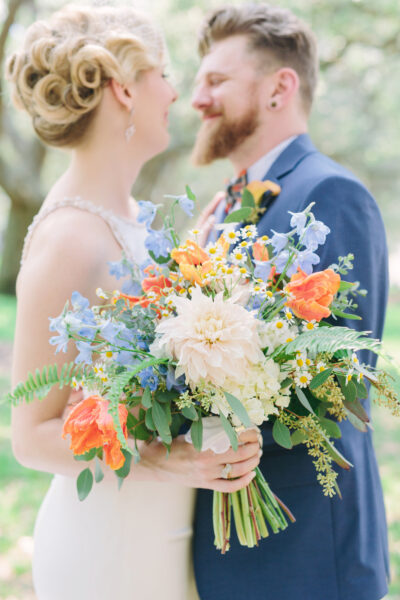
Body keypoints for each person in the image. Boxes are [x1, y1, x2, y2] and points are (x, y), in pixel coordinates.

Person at [8, 5, 262, 599]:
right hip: (110, 545)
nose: (177, 92)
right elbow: (30, 435)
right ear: (124, 89)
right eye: (165, 74)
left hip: (165, 531)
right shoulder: (70, 236)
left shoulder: (132, 224)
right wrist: (163, 458)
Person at [191, 4, 389, 600]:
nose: (196, 99)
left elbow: (343, 384)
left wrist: (203, 408)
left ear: (280, 88)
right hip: (230, 546)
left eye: (216, 81)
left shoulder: (329, 191)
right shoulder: (225, 207)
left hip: (307, 555)